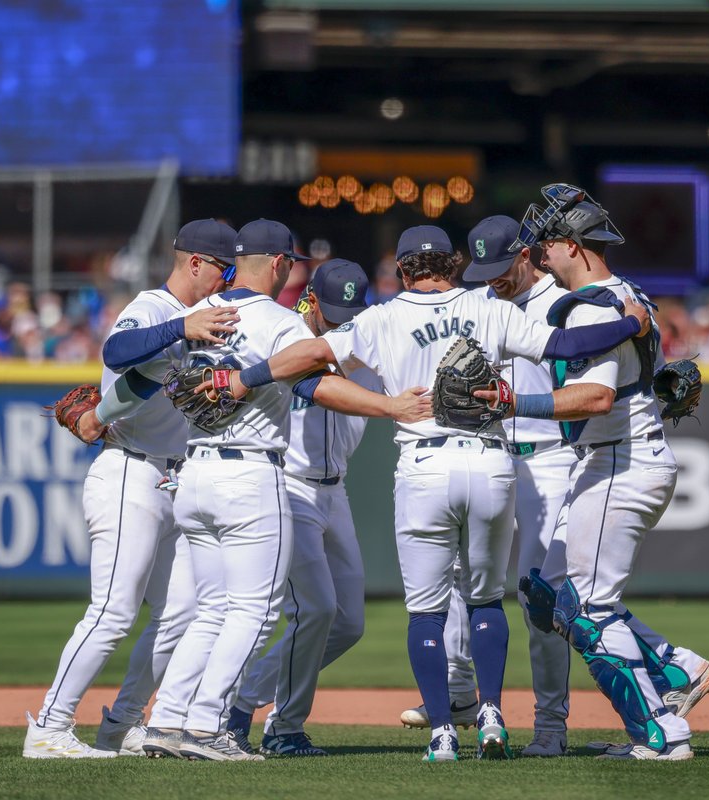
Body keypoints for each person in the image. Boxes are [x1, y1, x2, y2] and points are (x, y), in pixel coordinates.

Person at [209, 215, 653, 761]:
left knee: (426, 612)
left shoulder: (381, 319)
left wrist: (244, 378)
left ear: (400, 269)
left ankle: (443, 732)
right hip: (490, 463)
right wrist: (630, 326)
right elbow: (567, 344)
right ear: (454, 263)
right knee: (487, 600)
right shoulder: (488, 308)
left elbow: (309, 358)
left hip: (421, 465)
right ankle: (492, 717)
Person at [138, 220, 431, 763]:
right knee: (263, 609)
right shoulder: (285, 328)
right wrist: (391, 406)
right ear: (285, 270)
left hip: (246, 473)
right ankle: (221, 722)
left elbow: (135, 358)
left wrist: (119, 420)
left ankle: (174, 720)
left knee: (320, 617)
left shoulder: (204, 317)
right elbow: (309, 377)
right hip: (268, 479)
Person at [482, 183, 709, 761]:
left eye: (548, 243)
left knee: (588, 609)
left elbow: (591, 399)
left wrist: (511, 403)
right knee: (547, 595)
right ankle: (673, 668)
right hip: (621, 458)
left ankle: (660, 733)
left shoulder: (591, 303)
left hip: (618, 462)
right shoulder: (624, 293)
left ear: (571, 244)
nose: (540, 253)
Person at [23, 219, 241, 759]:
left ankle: (121, 724)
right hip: (128, 472)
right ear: (195, 263)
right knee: (114, 611)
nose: (228, 278)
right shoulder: (153, 307)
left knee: (182, 611)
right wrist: (181, 328)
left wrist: (102, 410)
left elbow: (145, 382)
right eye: (224, 268)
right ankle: (49, 727)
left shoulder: (207, 321)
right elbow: (120, 351)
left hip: (174, 476)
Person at [394, 216, 575, 757]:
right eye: (484, 270)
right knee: (449, 582)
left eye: (501, 267)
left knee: (535, 598)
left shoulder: (561, 303)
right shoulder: (476, 304)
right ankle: (455, 696)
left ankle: (549, 725)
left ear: (528, 255)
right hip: (488, 458)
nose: (493, 278)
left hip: (544, 456)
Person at [226, 260, 378, 757]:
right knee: (313, 609)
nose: (340, 321)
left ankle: (243, 695)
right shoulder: (281, 341)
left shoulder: (363, 344)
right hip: (291, 489)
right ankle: (283, 726)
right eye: (333, 311)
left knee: (348, 623)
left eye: (350, 312)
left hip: (337, 491)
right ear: (311, 299)